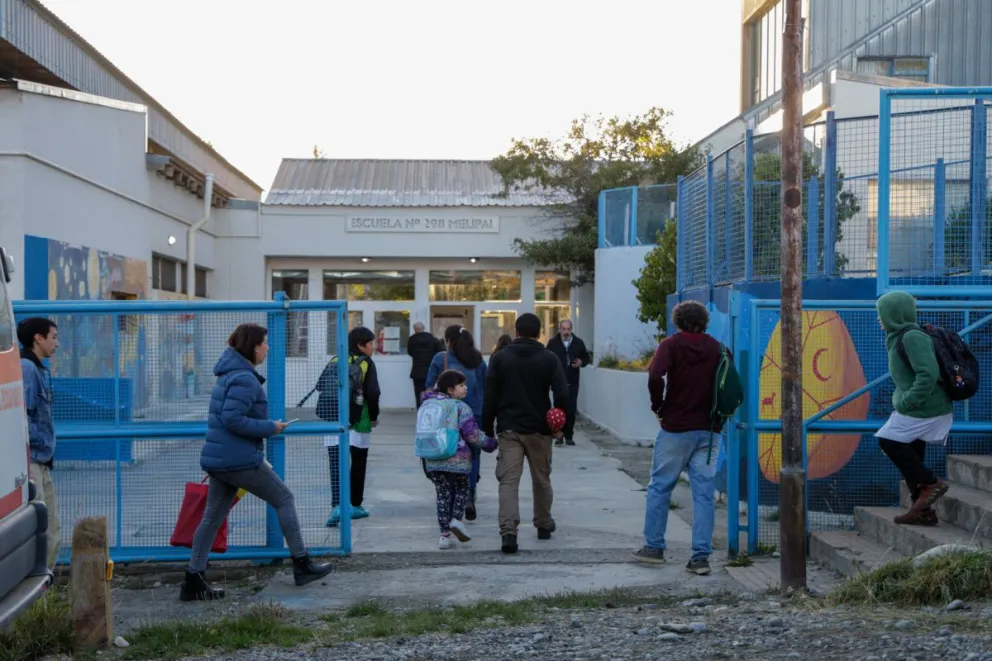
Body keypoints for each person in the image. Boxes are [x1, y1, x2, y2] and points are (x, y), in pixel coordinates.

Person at [181, 323, 332, 601]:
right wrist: (270, 427)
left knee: (212, 516)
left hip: (221, 459)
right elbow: (233, 419)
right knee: (284, 498)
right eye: (265, 343)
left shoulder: (229, 373)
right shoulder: (243, 378)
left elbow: (228, 417)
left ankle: (193, 578)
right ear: (253, 347)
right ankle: (302, 564)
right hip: (238, 460)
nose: (268, 348)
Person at [632, 301, 725, 576]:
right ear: (704, 322)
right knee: (704, 494)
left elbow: (654, 375)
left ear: (677, 321)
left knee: (660, 486)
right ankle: (700, 558)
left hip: (676, 429)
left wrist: (658, 406)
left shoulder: (670, 346)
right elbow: (731, 382)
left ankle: (654, 548)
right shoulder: (718, 348)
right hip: (709, 432)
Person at [482, 313, 569, 554]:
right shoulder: (549, 358)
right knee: (541, 479)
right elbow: (562, 394)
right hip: (540, 430)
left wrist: (487, 428)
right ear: (540, 333)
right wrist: (562, 427)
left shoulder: (499, 358)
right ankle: (543, 524)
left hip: (509, 429)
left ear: (516, 331)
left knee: (508, 482)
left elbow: (490, 397)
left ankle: (508, 533)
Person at [875, 290, 953, 526]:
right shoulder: (898, 337)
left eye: (882, 314)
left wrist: (908, 401)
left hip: (926, 407)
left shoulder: (912, 337)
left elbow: (928, 374)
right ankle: (922, 509)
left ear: (894, 314)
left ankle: (930, 483)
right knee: (911, 449)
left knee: (888, 441)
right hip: (917, 406)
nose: (879, 319)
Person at [420, 370, 498, 549]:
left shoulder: (427, 404)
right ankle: (456, 519)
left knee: (442, 494)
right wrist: (491, 444)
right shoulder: (460, 407)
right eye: (461, 385)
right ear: (450, 389)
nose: (466, 388)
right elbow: (472, 435)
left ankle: (444, 536)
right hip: (457, 457)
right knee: (463, 487)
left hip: (432, 457)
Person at [425, 325, 487, 520]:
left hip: (446, 417)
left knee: (449, 453)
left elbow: (429, 387)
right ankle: (469, 493)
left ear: (448, 341)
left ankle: (452, 496)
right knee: (473, 455)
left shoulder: (440, 359)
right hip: (474, 414)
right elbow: (486, 388)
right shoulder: (478, 359)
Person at [326, 326, 381, 527]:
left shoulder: (334, 360)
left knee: (335, 464)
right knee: (358, 464)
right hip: (359, 420)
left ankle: (336, 507)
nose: (373, 347)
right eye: (370, 343)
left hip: (333, 421)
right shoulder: (366, 363)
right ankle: (355, 506)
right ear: (360, 345)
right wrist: (374, 416)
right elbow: (373, 393)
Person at [19, 317, 60, 569]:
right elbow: (22, 417)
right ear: (39, 338)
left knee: (52, 530)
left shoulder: (35, 368)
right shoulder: (27, 369)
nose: (56, 343)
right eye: (53, 337)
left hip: (41, 460)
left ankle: (44, 591)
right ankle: (40, 598)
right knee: (45, 532)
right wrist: (39, 441)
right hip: (33, 461)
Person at [546, 319, 590, 447]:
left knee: (571, 409)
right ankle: (559, 435)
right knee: (559, 409)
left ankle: (569, 436)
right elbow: (547, 358)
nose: (566, 332)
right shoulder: (553, 343)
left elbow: (586, 358)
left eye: (568, 329)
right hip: (558, 383)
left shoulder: (578, 343)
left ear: (571, 330)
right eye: (564, 329)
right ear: (559, 330)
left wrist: (581, 362)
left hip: (572, 381)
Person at [407, 322, 443, 408]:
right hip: (431, 371)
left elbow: (410, 352)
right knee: (431, 392)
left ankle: (420, 410)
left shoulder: (411, 340)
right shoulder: (433, 340)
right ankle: (431, 409)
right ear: (424, 328)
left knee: (419, 393)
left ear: (415, 330)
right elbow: (441, 353)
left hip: (417, 372)